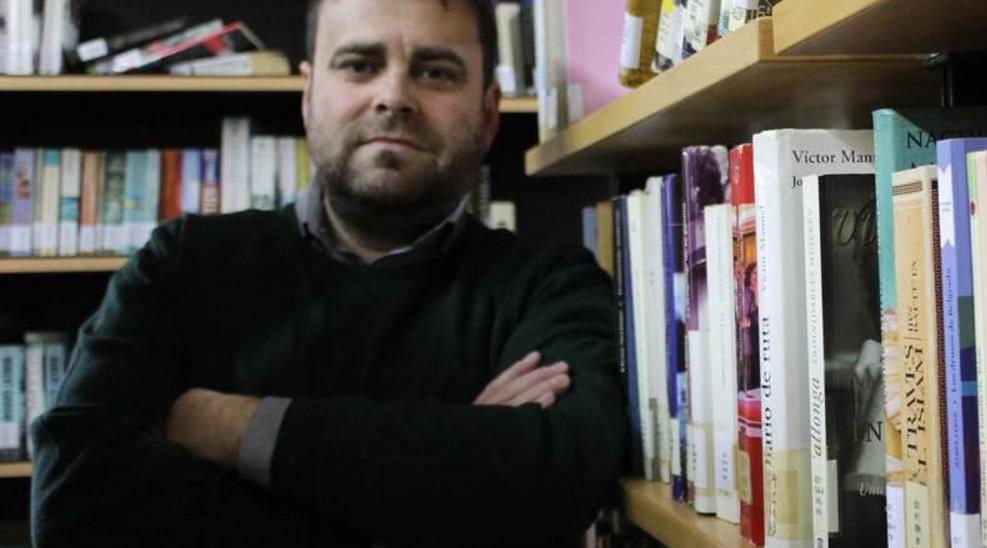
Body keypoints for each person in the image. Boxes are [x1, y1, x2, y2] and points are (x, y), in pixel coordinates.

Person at [29, 0, 627, 546]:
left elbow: (556, 482)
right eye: (360, 65)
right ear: (308, 94)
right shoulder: (181, 263)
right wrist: (453, 473)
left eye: (436, 72)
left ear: (489, 113)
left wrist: (228, 428)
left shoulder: (551, 286)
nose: (394, 96)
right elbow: (74, 507)